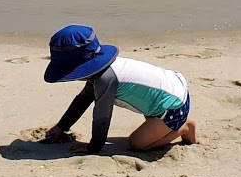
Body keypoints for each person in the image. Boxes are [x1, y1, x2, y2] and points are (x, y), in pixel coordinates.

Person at [41, 25, 196, 153]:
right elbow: (83, 99)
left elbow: (102, 118)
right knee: (145, 129)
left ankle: (184, 127)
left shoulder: (105, 79)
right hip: (173, 88)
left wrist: (93, 147)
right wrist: (61, 127)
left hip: (173, 106)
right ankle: (167, 126)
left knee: (137, 144)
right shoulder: (102, 70)